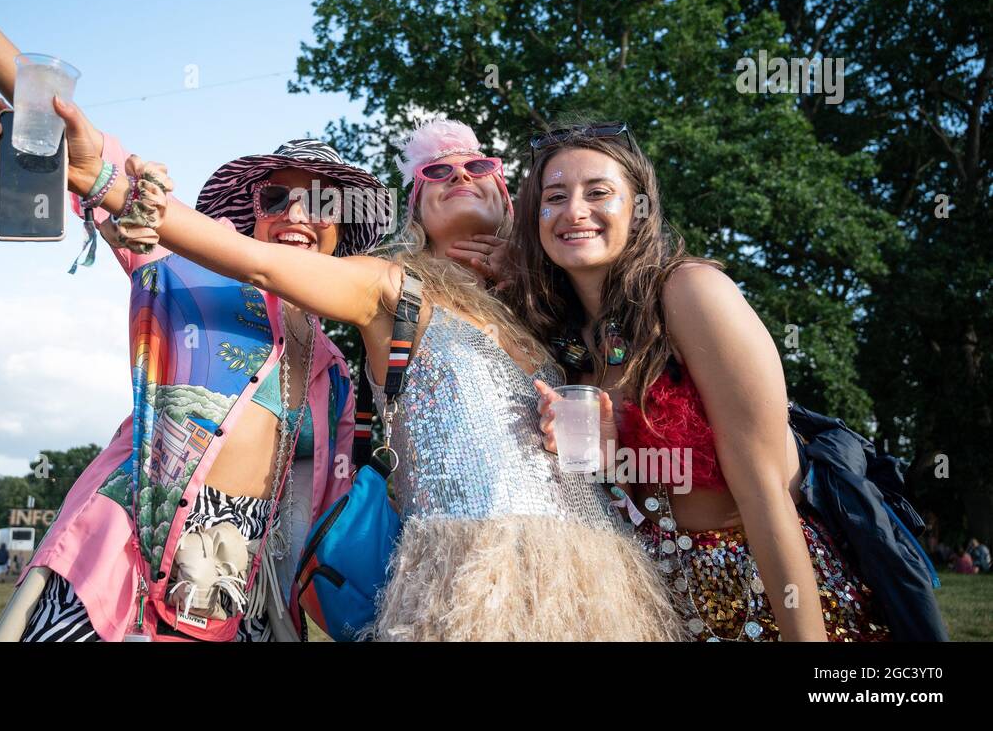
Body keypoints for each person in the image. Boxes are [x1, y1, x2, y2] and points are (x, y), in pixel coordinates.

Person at [0, 0, 373, 643]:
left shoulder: (343, 373)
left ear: (342, 231)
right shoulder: (192, 266)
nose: (296, 213)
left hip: (243, 603)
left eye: (321, 203)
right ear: (250, 213)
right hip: (126, 573)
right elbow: (85, 144)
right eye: (277, 196)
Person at [104, 116, 678, 640]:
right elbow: (258, 261)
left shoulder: (546, 315)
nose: (459, 173)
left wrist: (609, 439)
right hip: (472, 580)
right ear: (415, 209)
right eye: (437, 171)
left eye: (477, 166)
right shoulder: (388, 287)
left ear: (505, 198)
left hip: (589, 576)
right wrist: (112, 182)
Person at [505, 120, 889, 641]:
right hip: (657, 614)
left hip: (769, 600)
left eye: (599, 193)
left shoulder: (691, 292)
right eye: (554, 197)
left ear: (639, 210)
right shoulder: (564, 345)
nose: (574, 211)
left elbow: (766, 491)